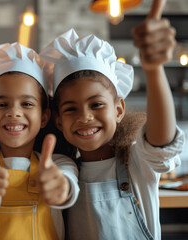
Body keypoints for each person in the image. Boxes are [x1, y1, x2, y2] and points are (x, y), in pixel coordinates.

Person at [40, 1, 185, 239]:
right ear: (57, 120)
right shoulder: (64, 174)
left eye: (96, 104)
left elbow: (161, 143)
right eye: (70, 109)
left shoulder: (137, 164)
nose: (85, 116)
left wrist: (154, 69)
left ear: (118, 110)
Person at [0, 42, 79, 240]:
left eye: (26, 104)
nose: (14, 112)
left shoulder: (60, 163)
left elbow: (67, 186)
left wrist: (60, 188)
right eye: (2, 104)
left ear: (44, 116)